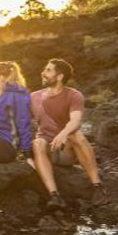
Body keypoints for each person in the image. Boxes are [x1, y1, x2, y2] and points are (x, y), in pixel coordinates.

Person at [30, 58, 106, 209]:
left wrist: (63, 133)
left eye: (48, 70)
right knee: (37, 142)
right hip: (47, 151)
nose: (43, 73)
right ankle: (54, 196)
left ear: (60, 76)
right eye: (45, 70)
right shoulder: (34, 97)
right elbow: (21, 122)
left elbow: (76, 120)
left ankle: (97, 187)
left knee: (76, 135)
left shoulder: (74, 95)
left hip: (66, 151)